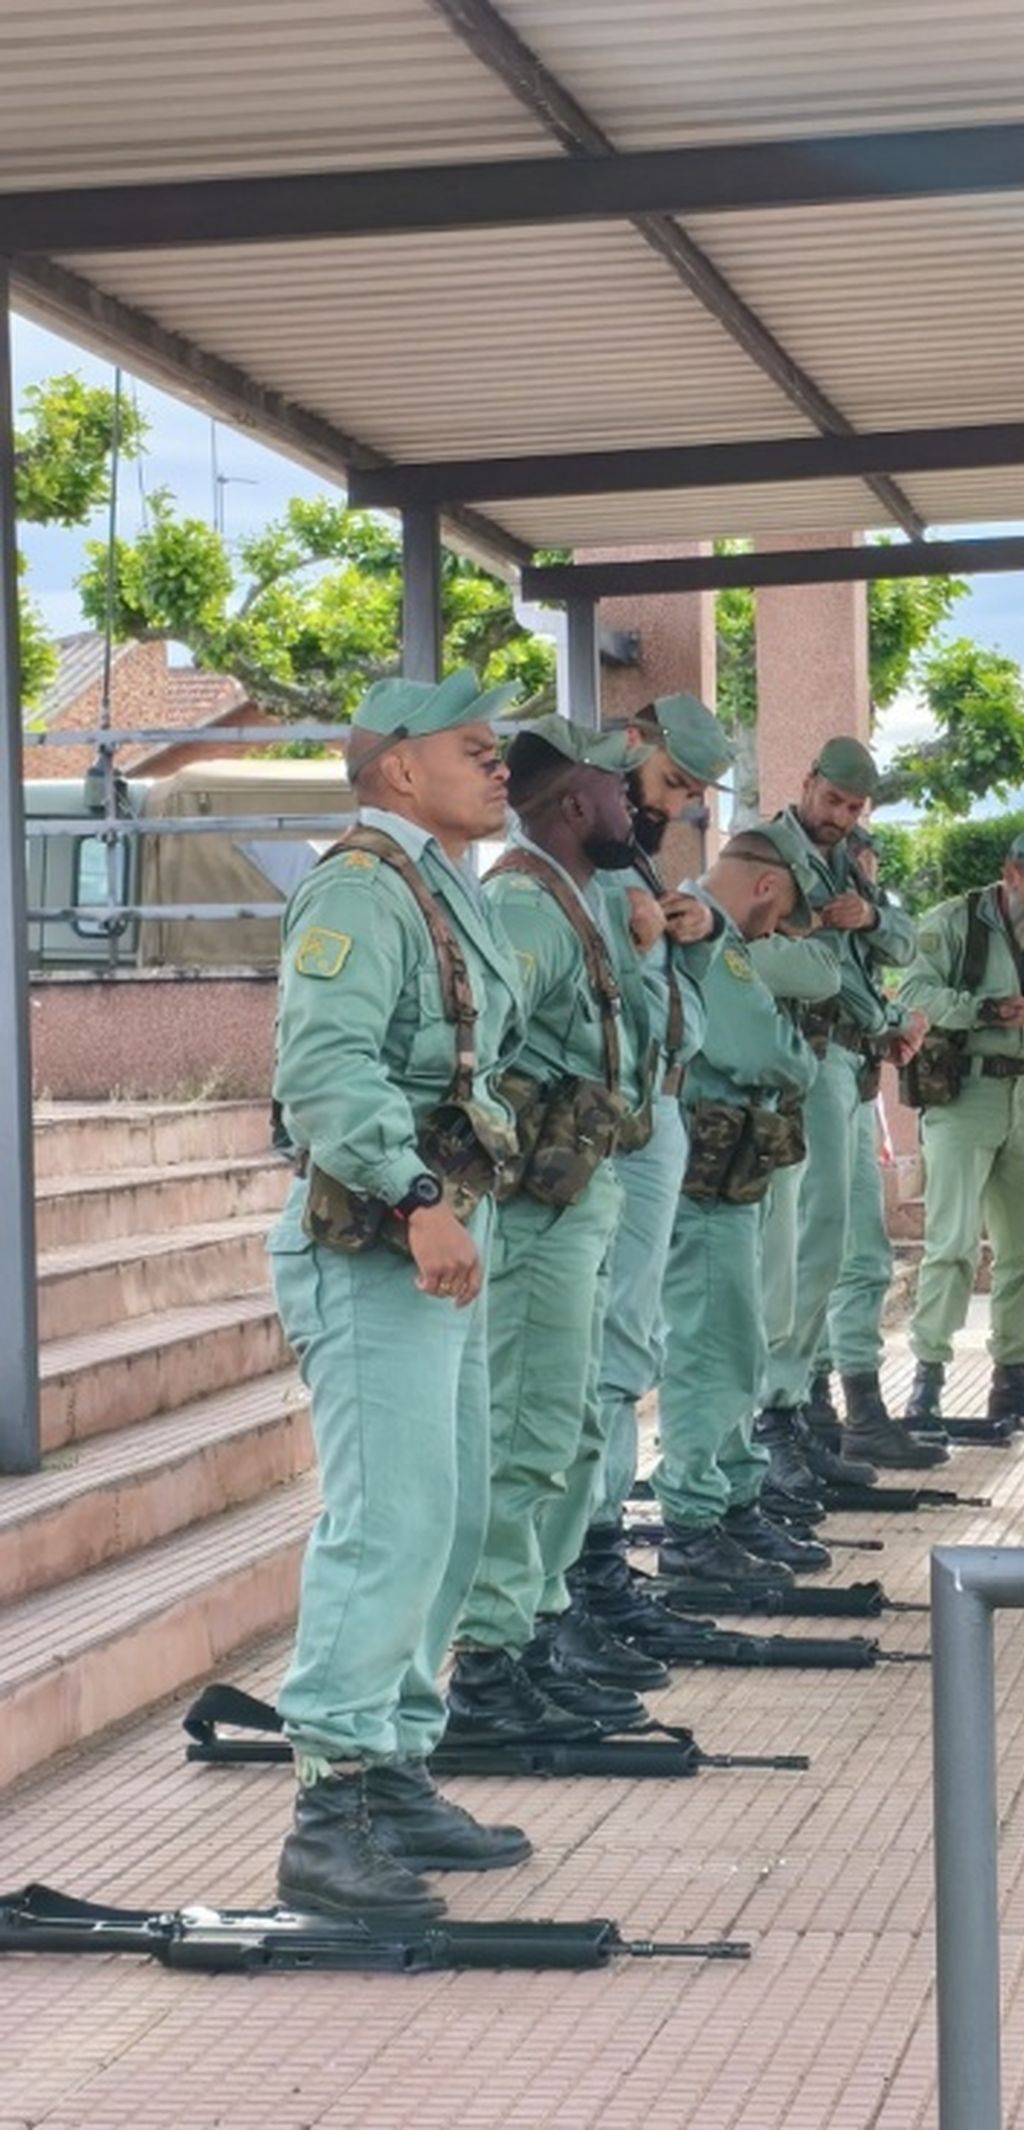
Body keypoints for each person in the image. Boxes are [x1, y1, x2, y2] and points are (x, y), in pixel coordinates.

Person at [270, 669, 532, 1921]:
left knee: (450, 1514)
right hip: (374, 1242)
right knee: (388, 1521)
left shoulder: (442, 888)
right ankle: (327, 1812)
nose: (499, 764)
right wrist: (420, 1193)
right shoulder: (359, 890)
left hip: (434, 1236)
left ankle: (393, 1767)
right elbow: (322, 1068)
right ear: (394, 766)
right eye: (473, 748)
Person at [445, 714, 670, 1748]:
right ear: (576, 803)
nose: (638, 806)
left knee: (569, 1429)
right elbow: (471, 1056)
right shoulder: (527, 909)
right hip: (537, 1214)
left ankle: (535, 1637)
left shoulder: (579, 898)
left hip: (580, 1196)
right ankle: (489, 1672)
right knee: (530, 1434)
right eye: (622, 790)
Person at [576, 695, 737, 1639]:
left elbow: (670, 1002)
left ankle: (597, 1556)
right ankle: (592, 1562)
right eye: (672, 783)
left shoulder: (631, 856)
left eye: (692, 795)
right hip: (621, 1122)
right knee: (609, 1351)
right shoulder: (576, 865)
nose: (678, 807)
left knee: (628, 1344)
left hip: (656, 1106)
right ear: (629, 747)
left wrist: (696, 934)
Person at [651, 825, 840, 1582]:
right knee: (709, 1344)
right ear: (766, 885)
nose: (781, 931)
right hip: (705, 1169)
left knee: (738, 1339)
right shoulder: (708, 940)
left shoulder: (713, 934)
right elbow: (761, 1047)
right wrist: (796, 1057)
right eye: (785, 911)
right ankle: (695, 1524)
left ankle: (730, 1498)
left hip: (730, 1166)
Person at [755, 738, 943, 1477]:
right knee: (811, 1247)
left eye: (856, 807)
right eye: (833, 800)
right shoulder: (766, 853)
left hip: (857, 1063)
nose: (842, 815)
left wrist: (864, 916)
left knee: (857, 1250)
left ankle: (844, 1411)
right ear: (806, 782)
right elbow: (753, 950)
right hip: (810, 1061)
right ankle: (790, 1412)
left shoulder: (845, 860)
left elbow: (901, 940)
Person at [898, 827, 1024, 1432]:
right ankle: (926, 1385)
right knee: (953, 1245)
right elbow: (911, 993)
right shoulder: (952, 922)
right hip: (964, 1096)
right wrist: (985, 1009)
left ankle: (1013, 1381)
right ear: (1012, 873)